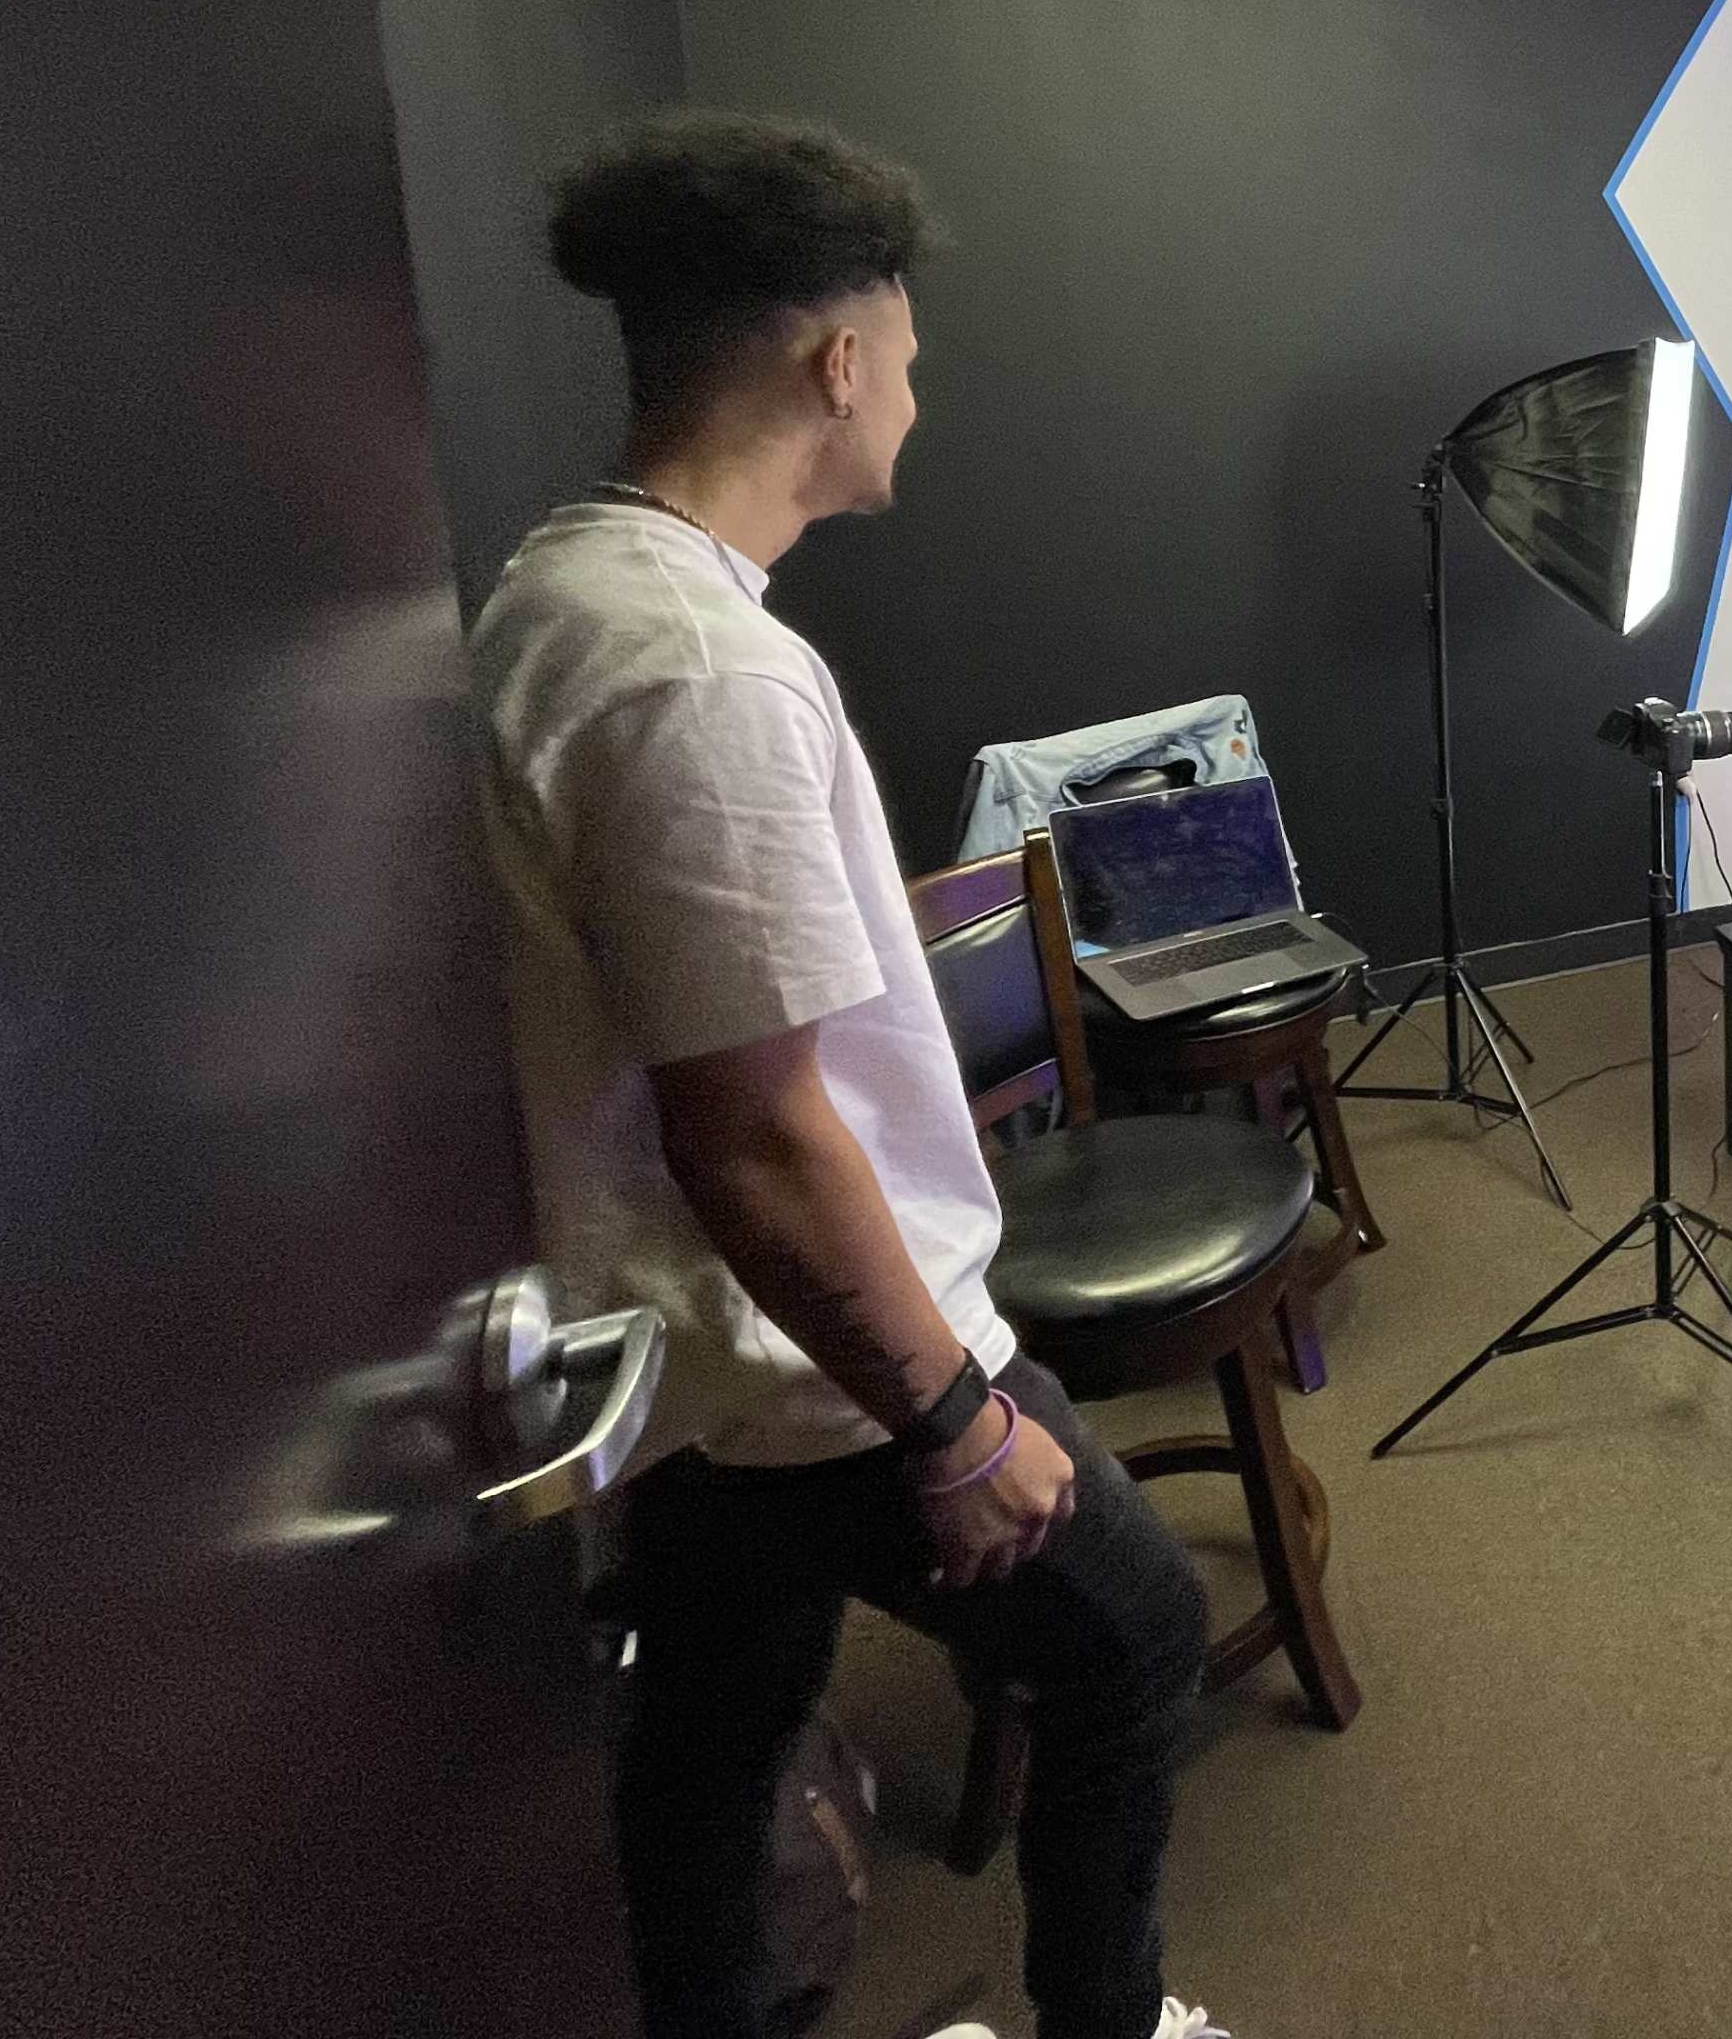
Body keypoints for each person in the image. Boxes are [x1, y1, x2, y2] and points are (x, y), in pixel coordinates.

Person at [469, 109, 1224, 2039]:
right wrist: (954, 1423)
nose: (915, 393)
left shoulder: (569, 588)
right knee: (1135, 1645)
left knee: (713, 1746)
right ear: (835, 361)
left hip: (695, 1366)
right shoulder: (699, 674)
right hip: (817, 1378)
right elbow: (756, 1132)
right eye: (907, 354)